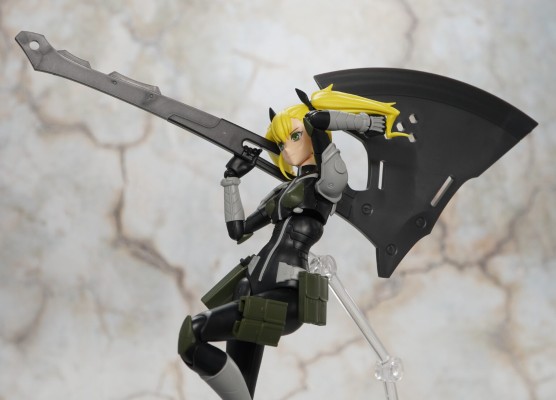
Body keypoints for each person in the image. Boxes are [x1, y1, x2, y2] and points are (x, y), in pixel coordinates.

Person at [177, 85, 402, 400]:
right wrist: (231, 178)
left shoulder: (327, 183)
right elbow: (239, 231)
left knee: (193, 334)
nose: (287, 148)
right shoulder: (283, 193)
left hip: (287, 296)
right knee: (239, 384)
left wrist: (362, 122)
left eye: (294, 136)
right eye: (282, 142)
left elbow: (318, 120)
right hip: (250, 288)